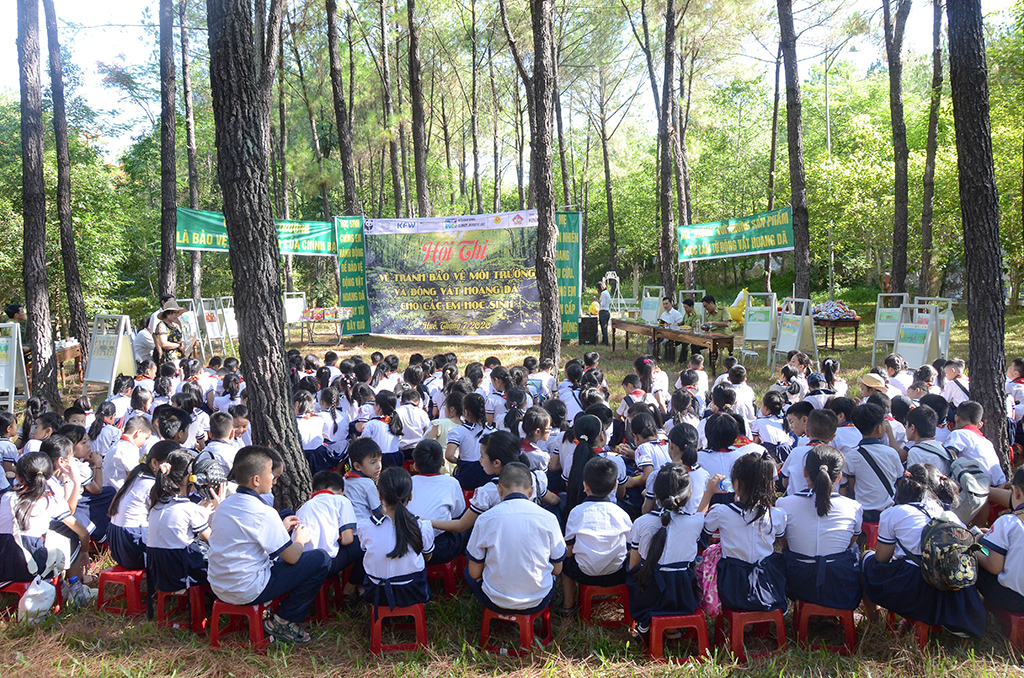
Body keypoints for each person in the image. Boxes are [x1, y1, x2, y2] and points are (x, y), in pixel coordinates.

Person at [208, 446, 330, 644]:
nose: (274, 479)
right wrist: (300, 539)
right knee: (320, 559)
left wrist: (279, 528)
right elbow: (292, 557)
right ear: (257, 479)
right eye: (270, 473)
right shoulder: (263, 511)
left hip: (219, 585)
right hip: (249, 589)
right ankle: (283, 620)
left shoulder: (225, 506)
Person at [861, 463, 986, 638]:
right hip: (949, 585)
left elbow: (882, 558)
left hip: (914, 588)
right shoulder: (944, 512)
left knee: (866, 559)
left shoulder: (894, 513)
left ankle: (874, 624)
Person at [464, 462, 567, 613]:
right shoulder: (548, 518)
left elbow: (474, 572)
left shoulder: (485, 519)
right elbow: (557, 569)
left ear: (499, 490)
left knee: (468, 572)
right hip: (538, 599)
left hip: (494, 599)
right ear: (532, 491)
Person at [0, 452, 95, 605]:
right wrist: (84, 552)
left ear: (18, 477)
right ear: (48, 476)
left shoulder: (6, 498)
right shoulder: (51, 502)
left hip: (3, 566)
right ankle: (76, 588)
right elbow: (83, 533)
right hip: (31, 568)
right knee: (72, 535)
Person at [777, 445, 863, 610]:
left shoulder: (784, 504)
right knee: (855, 551)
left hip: (797, 582)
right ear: (839, 477)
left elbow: (784, 545)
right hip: (839, 582)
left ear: (805, 472)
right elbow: (850, 543)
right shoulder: (854, 506)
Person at [703, 452, 787, 612]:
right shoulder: (777, 515)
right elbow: (784, 545)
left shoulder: (720, 512)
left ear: (736, 484)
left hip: (731, 589)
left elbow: (701, 528)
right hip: (768, 589)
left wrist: (709, 493)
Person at [627, 463, 704, 634]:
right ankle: (673, 629)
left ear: (655, 495)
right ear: (689, 494)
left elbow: (633, 566)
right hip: (683, 597)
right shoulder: (696, 523)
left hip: (650, 598)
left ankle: (647, 624)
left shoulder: (642, 522)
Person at [559, 457, 632, 613]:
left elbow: (570, 551)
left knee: (564, 563)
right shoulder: (621, 513)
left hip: (584, 573)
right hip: (616, 573)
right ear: (615, 486)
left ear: (584, 485)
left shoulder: (576, 512)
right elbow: (629, 547)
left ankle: (568, 606)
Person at [358, 466, 434, 614]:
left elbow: (367, 551)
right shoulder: (422, 526)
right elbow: (428, 556)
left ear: (379, 496)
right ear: (411, 496)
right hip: (412, 593)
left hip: (376, 594)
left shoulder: (365, 526)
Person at [146, 448, 221, 593]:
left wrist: (201, 512)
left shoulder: (157, 504)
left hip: (159, 574)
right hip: (181, 575)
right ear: (190, 478)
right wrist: (222, 508)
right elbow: (214, 542)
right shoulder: (189, 508)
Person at [106, 441, 177, 571]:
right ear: (155, 463)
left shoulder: (137, 477)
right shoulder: (150, 485)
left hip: (118, 543)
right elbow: (168, 517)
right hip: (133, 546)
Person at [840, 404, 903, 530]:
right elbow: (900, 480)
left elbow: (851, 488)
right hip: (887, 511)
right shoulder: (891, 453)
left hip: (864, 512)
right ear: (879, 429)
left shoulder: (852, 455)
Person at [408, 440, 466, 564]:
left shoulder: (408, 482)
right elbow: (458, 513)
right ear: (443, 463)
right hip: (440, 548)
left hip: (408, 547)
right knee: (466, 524)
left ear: (415, 466)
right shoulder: (451, 483)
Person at [295, 471, 361, 579]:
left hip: (303, 563)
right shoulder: (342, 501)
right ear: (342, 491)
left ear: (313, 490)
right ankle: (353, 585)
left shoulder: (304, 507)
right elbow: (348, 539)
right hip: (327, 563)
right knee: (362, 542)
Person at [976, 466, 1024, 614]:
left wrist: (974, 547)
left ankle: (973, 615)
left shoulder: (1009, 522)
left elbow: (994, 566)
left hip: (1013, 600)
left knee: (972, 565)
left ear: (1015, 492)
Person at [946, 401, 1006, 486]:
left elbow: (950, 454)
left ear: (956, 418)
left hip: (976, 487)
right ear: (979, 424)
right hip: (998, 486)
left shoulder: (959, 434)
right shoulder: (987, 442)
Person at [780, 409, 838, 496]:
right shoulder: (836, 455)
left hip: (795, 503)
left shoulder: (796, 452)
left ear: (807, 432)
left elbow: (785, 482)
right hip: (829, 506)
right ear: (832, 437)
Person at [446, 393, 493, 490]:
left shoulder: (458, 431)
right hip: (487, 472)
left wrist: (459, 462)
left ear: (466, 413)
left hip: (467, 473)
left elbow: (449, 455)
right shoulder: (492, 431)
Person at [357, 389, 405, 468]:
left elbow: (365, 443)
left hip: (378, 461)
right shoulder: (397, 423)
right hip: (395, 459)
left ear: (378, 407)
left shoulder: (371, 424)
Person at [102, 416, 153, 491]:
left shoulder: (117, 444)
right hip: (117, 493)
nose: (144, 442)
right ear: (138, 433)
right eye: (145, 438)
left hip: (108, 489)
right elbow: (133, 476)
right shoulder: (129, 448)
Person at [345, 438, 384, 522]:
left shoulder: (344, 479)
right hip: (364, 526)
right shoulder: (368, 484)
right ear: (358, 466)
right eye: (373, 462)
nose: (378, 466)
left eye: (380, 460)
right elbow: (378, 510)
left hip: (347, 527)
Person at [597, 281, 611, 346]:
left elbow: (602, 304)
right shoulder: (607, 292)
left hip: (603, 312)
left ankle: (605, 342)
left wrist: (596, 300)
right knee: (605, 327)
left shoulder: (603, 294)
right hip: (607, 311)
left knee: (604, 328)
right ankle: (604, 340)